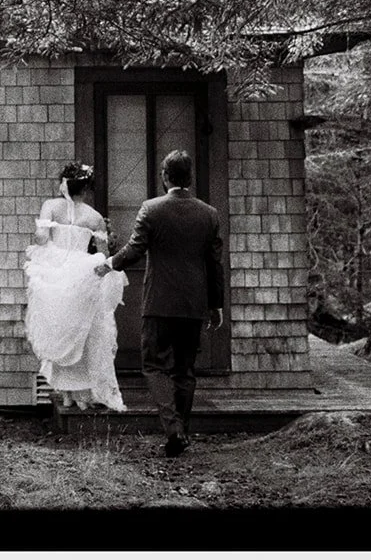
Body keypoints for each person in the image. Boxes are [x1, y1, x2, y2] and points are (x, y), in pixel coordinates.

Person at [96, 149, 224, 456]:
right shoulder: (209, 214)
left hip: (159, 304)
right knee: (185, 371)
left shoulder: (151, 209)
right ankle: (180, 432)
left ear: (165, 176)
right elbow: (214, 264)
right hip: (193, 305)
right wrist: (216, 304)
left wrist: (109, 263)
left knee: (153, 366)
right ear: (189, 178)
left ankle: (174, 429)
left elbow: (134, 249)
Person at [24, 162, 127, 412]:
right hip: (82, 272)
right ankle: (79, 393)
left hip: (56, 274)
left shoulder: (51, 206)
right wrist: (106, 236)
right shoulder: (94, 216)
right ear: (86, 188)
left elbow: (41, 239)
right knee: (84, 330)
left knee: (62, 328)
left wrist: (44, 233)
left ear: (64, 184)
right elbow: (103, 253)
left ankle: (69, 393)